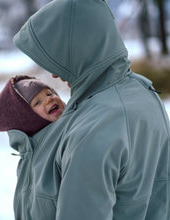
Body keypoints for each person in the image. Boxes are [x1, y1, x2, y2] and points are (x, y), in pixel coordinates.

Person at [10, 0, 170, 219]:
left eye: (59, 60)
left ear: (80, 48)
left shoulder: (96, 126)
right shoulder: (143, 90)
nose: (55, 75)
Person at [0, 75, 65, 136]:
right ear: (28, 118)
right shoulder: (46, 149)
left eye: (49, 94)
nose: (49, 99)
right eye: (37, 102)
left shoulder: (72, 124)